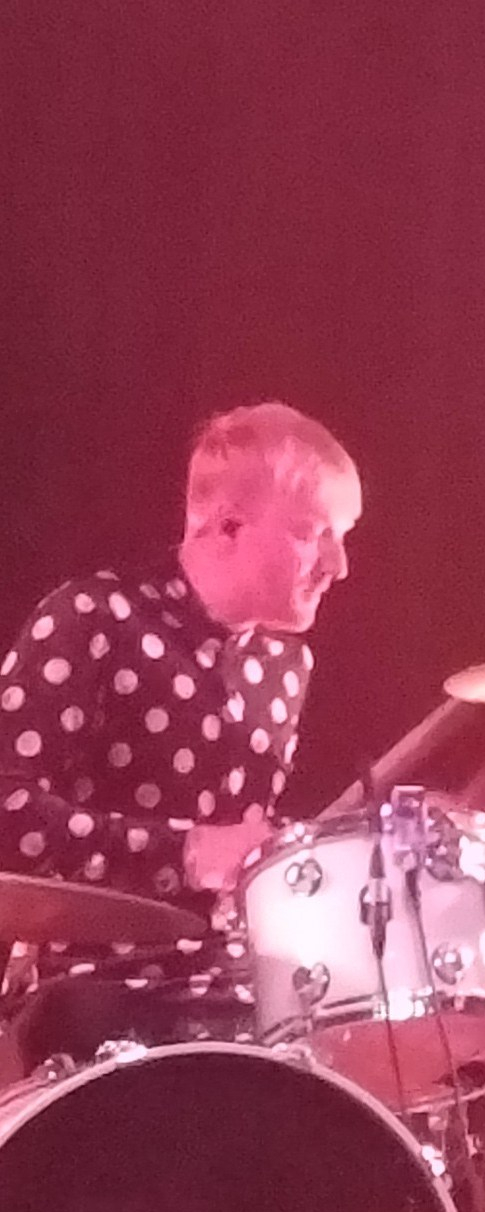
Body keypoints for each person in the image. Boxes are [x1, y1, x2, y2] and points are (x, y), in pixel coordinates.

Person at [0, 400, 361, 1060]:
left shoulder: (285, 666)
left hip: (233, 1000)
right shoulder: (94, 618)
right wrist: (184, 852)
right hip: (91, 1001)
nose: (338, 564)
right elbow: (7, 810)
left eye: (343, 536)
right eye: (314, 533)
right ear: (227, 524)